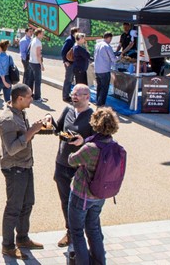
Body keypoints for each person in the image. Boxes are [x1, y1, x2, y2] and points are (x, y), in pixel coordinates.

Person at [66, 107, 121, 265]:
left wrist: (72, 150)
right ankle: (99, 261)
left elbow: (72, 160)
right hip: (101, 195)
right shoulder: (114, 145)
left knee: (77, 232)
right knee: (94, 229)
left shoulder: (91, 148)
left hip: (82, 195)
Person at [0, 84, 45, 260]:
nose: (32, 99)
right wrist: (32, 131)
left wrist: (35, 130)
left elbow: (22, 136)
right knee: (14, 208)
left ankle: (22, 238)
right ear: (20, 99)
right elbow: (11, 148)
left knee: (28, 203)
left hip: (25, 165)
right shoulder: (7, 119)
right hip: (15, 167)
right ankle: (7, 246)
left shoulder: (20, 113)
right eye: (29, 96)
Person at [50, 84, 94, 248]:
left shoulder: (93, 116)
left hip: (81, 167)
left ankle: (81, 233)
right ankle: (70, 232)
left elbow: (100, 140)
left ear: (87, 97)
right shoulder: (67, 110)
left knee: (79, 203)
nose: (74, 97)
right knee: (65, 200)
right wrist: (50, 123)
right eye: (73, 94)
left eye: (78, 94)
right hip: (62, 163)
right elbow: (58, 129)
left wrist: (85, 141)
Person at [93, 32, 116, 107]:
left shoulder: (97, 44)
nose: (110, 40)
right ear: (109, 37)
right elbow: (113, 59)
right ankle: (101, 103)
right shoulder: (107, 46)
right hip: (105, 70)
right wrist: (119, 58)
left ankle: (98, 101)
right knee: (104, 87)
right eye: (111, 39)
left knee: (99, 86)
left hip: (97, 69)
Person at [61, 27, 80, 102]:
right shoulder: (69, 40)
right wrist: (65, 61)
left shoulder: (73, 39)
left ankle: (67, 95)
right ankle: (65, 96)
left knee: (70, 79)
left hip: (72, 63)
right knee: (68, 79)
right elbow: (63, 51)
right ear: (75, 33)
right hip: (69, 63)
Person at [28, 28, 45, 101]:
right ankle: (37, 97)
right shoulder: (38, 42)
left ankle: (30, 95)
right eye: (42, 34)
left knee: (31, 80)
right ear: (39, 34)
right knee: (38, 81)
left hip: (31, 62)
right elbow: (38, 55)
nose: (43, 35)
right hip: (36, 63)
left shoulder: (33, 40)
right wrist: (41, 64)